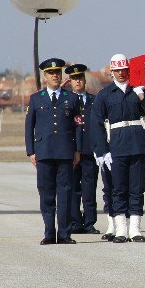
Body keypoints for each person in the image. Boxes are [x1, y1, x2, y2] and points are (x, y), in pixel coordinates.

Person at [91, 53, 145, 243]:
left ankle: (135, 229)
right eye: (117, 71)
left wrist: (143, 96)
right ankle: (121, 230)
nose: (121, 74)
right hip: (116, 147)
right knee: (118, 189)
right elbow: (96, 124)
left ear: (128, 71)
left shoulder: (137, 91)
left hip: (138, 145)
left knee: (137, 189)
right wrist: (102, 151)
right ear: (112, 72)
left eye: (124, 70)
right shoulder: (105, 95)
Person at [25, 58, 83, 245]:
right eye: (51, 73)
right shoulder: (36, 99)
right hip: (44, 152)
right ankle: (50, 232)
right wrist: (31, 152)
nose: (55, 76)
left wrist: (77, 150)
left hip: (65, 152)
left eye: (57, 73)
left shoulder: (71, 98)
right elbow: (29, 127)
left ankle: (65, 234)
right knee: (46, 193)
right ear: (45, 76)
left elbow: (78, 126)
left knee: (65, 194)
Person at [67, 63, 101, 235]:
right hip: (72, 152)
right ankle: (74, 222)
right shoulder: (67, 101)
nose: (78, 82)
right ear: (70, 81)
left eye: (80, 78)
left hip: (89, 151)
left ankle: (89, 222)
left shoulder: (94, 101)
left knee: (89, 188)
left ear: (84, 80)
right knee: (73, 189)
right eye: (74, 79)